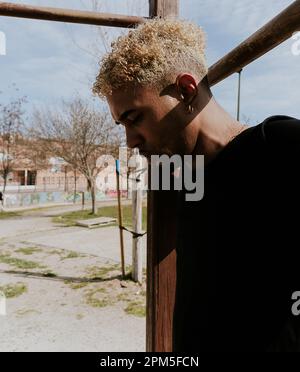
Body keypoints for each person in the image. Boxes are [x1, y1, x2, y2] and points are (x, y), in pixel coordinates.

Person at [93, 18, 300, 352]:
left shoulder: (279, 147)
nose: (129, 140)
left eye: (134, 118)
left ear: (187, 90)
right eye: (121, 124)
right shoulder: (182, 175)